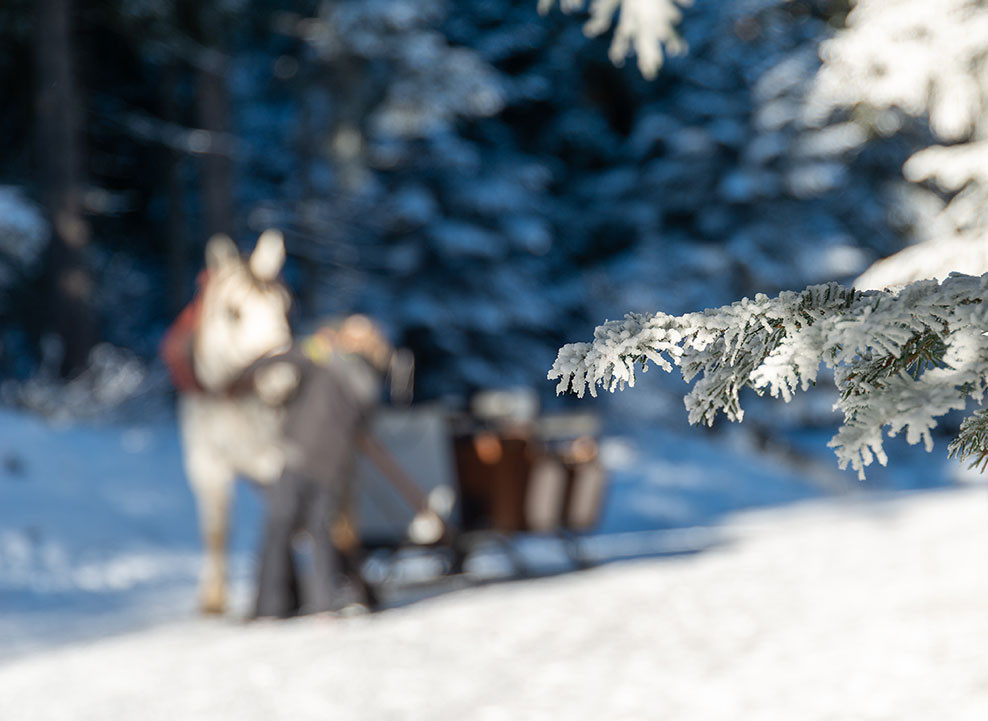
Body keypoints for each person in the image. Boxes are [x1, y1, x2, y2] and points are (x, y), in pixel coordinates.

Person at [250, 319, 386, 618]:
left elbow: (299, 359)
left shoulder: (354, 370)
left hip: (314, 460)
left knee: (297, 529)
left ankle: (292, 604)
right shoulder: (331, 361)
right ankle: (299, 603)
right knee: (303, 530)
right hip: (319, 460)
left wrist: (321, 349)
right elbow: (293, 357)